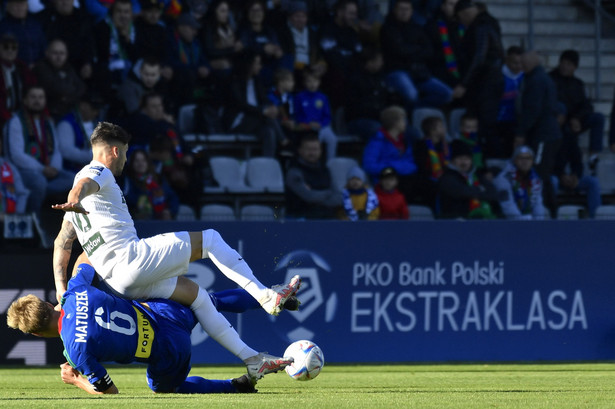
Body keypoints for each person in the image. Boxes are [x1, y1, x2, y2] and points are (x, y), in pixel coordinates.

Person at [50, 121, 301, 381]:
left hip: (118, 283)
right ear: (115, 151)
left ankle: (252, 359)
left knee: (198, 297)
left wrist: (61, 292)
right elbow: (85, 185)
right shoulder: (98, 171)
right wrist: (74, 198)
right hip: (131, 259)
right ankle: (266, 296)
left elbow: (62, 244)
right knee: (211, 240)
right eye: (125, 152)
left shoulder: (77, 202)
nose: (125, 159)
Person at [7, 263, 291, 395]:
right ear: (46, 302)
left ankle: (235, 387)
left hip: (170, 352)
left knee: (163, 388)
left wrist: (77, 381)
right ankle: (269, 294)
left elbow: (110, 392)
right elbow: (89, 259)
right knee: (208, 302)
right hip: (165, 313)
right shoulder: (75, 291)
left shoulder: (76, 351)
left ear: (36, 334)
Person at [5, 86, 75, 224]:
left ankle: (67, 224)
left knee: (74, 179)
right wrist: (42, 169)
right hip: (20, 170)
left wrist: (54, 167)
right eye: (33, 97)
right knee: (39, 182)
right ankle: (34, 221)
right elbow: (16, 155)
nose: (37, 101)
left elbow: (56, 150)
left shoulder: (48, 122)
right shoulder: (16, 121)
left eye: (40, 97)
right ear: (25, 100)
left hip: (47, 170)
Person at [453, 0, 504, 159]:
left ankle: (486, 162)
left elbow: (479, 57)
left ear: (464, 13)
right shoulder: (489, 22)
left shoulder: (481, 25)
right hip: (488, 81)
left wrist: (464, 83)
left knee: (483, 126)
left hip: (484, 84)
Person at [380, 0, 452, 111]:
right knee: (412, 95)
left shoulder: (417, 28)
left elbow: (429, 51)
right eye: (401, 9)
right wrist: (418, 49)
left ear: (412, 11)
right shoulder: (387, 28)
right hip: (397, 70)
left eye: (407, 9)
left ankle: (412, 112)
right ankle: (408, 117)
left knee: (447, 94)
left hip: (419, 72)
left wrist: (409, 50)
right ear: (394, 10)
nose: (404, 12)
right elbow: (399, 50)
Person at [515, 50, 562, 216]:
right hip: (547, 133)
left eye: (523, 63)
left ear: (530, 64)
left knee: (538, 173)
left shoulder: (536, 80)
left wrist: (520, 133)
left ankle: (539, 211)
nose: (520, 67)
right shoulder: (542, 78)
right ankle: (550, 210)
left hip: (544, 135)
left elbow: (532, 109)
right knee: (544, 174)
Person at [549, 49, 606, 172]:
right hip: (558, 122)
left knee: (598, 118)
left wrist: (577, 118)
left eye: (569, 64)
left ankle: (593, 156)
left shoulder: (577, 84)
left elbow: (586, 105)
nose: (565, 66)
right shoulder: (550, 80)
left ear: (575, 67)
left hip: (575, 121)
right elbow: (555, 103)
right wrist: (571, 119)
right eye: (563, 63)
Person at [223, 52, 286, 157]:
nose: (260, 66)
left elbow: (264, 100)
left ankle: (267, 162)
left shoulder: (256, 81)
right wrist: (263, 111)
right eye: (257, 63)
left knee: (269, 132)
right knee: (267, 117)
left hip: (256, 120)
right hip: (238, 121)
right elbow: (241, 105)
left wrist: (271, 108)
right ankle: (283, 141)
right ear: (248, 64)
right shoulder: (234, 81)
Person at [363, 105, 421, 204]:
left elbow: (411, 162)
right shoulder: (377, 141)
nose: (405, 123)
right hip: (386, 179)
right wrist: (393, 167)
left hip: (406, 176)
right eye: (403, 120)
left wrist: (403, 168)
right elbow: (369, 166)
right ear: (395, 123)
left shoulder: (405, 141)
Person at [438, 139, 502, 219]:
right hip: (457, 220)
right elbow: (462, 192)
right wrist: (480, 189)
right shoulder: (447, 177)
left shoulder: (478, 175)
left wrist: (473, 192)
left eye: (467, 159)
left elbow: (493, 193)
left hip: (484, 218)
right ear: (453, 160)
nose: (464, 163)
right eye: (460, 159)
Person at [285, 132, 342, 219]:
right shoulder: (294, 171)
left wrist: (317, 195)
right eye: (308, 149)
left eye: (315, 149)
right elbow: (309, 196)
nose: (312, 153)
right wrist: (329, 193)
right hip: (300, 218)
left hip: (326, 217)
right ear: (300, 151)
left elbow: (339, 197)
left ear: (320, 151)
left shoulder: (326, 170)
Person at [318, 0, 363, 108]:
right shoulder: (327, 29)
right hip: (332, 72)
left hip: (351, 72)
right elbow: (331, 56)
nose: (354, 17)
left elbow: (359, 54)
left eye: (355, 14)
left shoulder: (352, 32)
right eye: (351, 13)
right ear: (340, 12)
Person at [36, 0, 96, 81]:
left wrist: (87, 63)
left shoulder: (83, 18)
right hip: (51, 66)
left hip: (78, 65)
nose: (65, 2)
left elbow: (89, 43)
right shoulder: (43, 18)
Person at [553, 126, 602, 219]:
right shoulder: (549, 139)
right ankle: (551, 217)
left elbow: (578, 163)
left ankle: (595, 219)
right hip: (556, 177)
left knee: (593, 182)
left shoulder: (570, 138)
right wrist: (561, 176)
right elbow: (546, 166)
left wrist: (575, 176)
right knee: (553, 181)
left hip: (572, 178)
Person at [33, 39, 87, 120]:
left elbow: (81, 88)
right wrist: (70, 92)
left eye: (62, 53)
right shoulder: (41, 67)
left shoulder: (68, 68)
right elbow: (57, 88)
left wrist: (66, 98)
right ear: (47, 53)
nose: (59, 57)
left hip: (67, 113)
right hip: (49, 115)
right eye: (55, 53)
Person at [276, 1, 327, 83]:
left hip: (310, 70)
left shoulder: (312, 33)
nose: (300, 19)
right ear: (290, 17)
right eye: (297, 16)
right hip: (291, 70)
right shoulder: (283, 32)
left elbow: (318, 52)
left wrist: (321, 63)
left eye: (303, 16)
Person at [122, 148, 179, 220]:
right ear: (132, 164)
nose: (140, 164)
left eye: (143, 160)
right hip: (139, 222)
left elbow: (172, 197)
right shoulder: (127, 180)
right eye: (137, 161)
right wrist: (140, 201)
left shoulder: (158, 178)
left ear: (148, 162)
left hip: (161, 221)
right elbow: (125, 200)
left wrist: (170, 211)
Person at [493, 145, 547, 220]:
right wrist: (521, 223)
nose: (525, 161)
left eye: (528, 158)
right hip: (506, 221)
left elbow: (538, 203)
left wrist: (539, 222)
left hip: (528, 220)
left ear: (532, 161)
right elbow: (507, 204)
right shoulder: (504, 178)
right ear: (514, 160)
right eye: (521, 158)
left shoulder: (536, 178)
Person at [293, 70, 337, 161]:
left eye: (315, 81)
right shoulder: (299, 97)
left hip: (322, 126)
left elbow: (327, 116)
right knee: (314, 141)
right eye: (309, 81)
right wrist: (308, 123)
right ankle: (312, 162)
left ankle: (330, 163)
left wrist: (321, 124)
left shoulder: (323, 97)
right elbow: (297, 114)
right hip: (306, 127)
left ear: (319, 82)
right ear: (305, 83)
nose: (312, 84)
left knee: (332, 139)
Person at [238, 0, 283, 87]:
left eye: (259, 10)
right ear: (247, 13)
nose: (256, 14)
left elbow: (276, 47)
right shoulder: (244, 30)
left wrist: (277, 51)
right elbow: (244, 47)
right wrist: (262, 48)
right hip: (251, 67)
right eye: (253, 10)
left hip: (270, 64)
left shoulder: (269, 31)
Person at [56, 91, 103, 172]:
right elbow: (66, 151)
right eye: (93, 108)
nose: (96, 112)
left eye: (97, 109)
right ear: (82, 105)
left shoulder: (97, 124)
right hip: (71, 170)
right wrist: (92, 156)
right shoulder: (67, 123)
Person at [424, 0, 464, 90]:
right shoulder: (432, 27)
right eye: (451, 4)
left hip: (462, 75)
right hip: (440, 74)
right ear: (443, 6)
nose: (454, 7)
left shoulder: (465, 27)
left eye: (457, 4)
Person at [0, 33, 36, 129]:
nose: (10, 51)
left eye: (14, 48)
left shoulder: (22, 68)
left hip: (21, 117)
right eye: (6, 47)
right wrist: (8, 117)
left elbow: (33, 89)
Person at [496, 45, 524, 159]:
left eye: (520, 63)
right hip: (500, 121)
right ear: (507, 60)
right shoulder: (497, 76)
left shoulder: (526, 76)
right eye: (514, 63)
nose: (518, 66)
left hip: (518, 122)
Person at [413, 116, 449, 202]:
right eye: (440, 126)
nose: (444, 128)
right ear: (432, 130)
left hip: (444, 177)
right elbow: (422, 165)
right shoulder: (421, 145)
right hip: (428, 179)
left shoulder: (444, 146)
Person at [0, 0, 47, 66]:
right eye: (16, 4)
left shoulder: (35, 24)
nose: (19, 7)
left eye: (22, 4)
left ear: (27, 6)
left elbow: (43, 47)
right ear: (8, 7)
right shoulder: (3, 27)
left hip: (37, 67)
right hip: (14, 68)